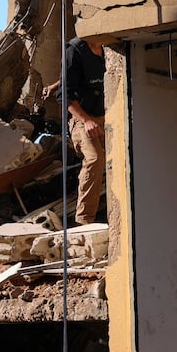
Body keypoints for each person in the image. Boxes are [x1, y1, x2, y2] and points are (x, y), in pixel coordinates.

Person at [60, 35, 108, 224]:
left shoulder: (109, 48)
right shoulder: (74, 51)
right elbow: (65, 94)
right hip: (81, 117)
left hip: (106, 116)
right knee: (95, 158)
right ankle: (84, 219)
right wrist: (86, 121)